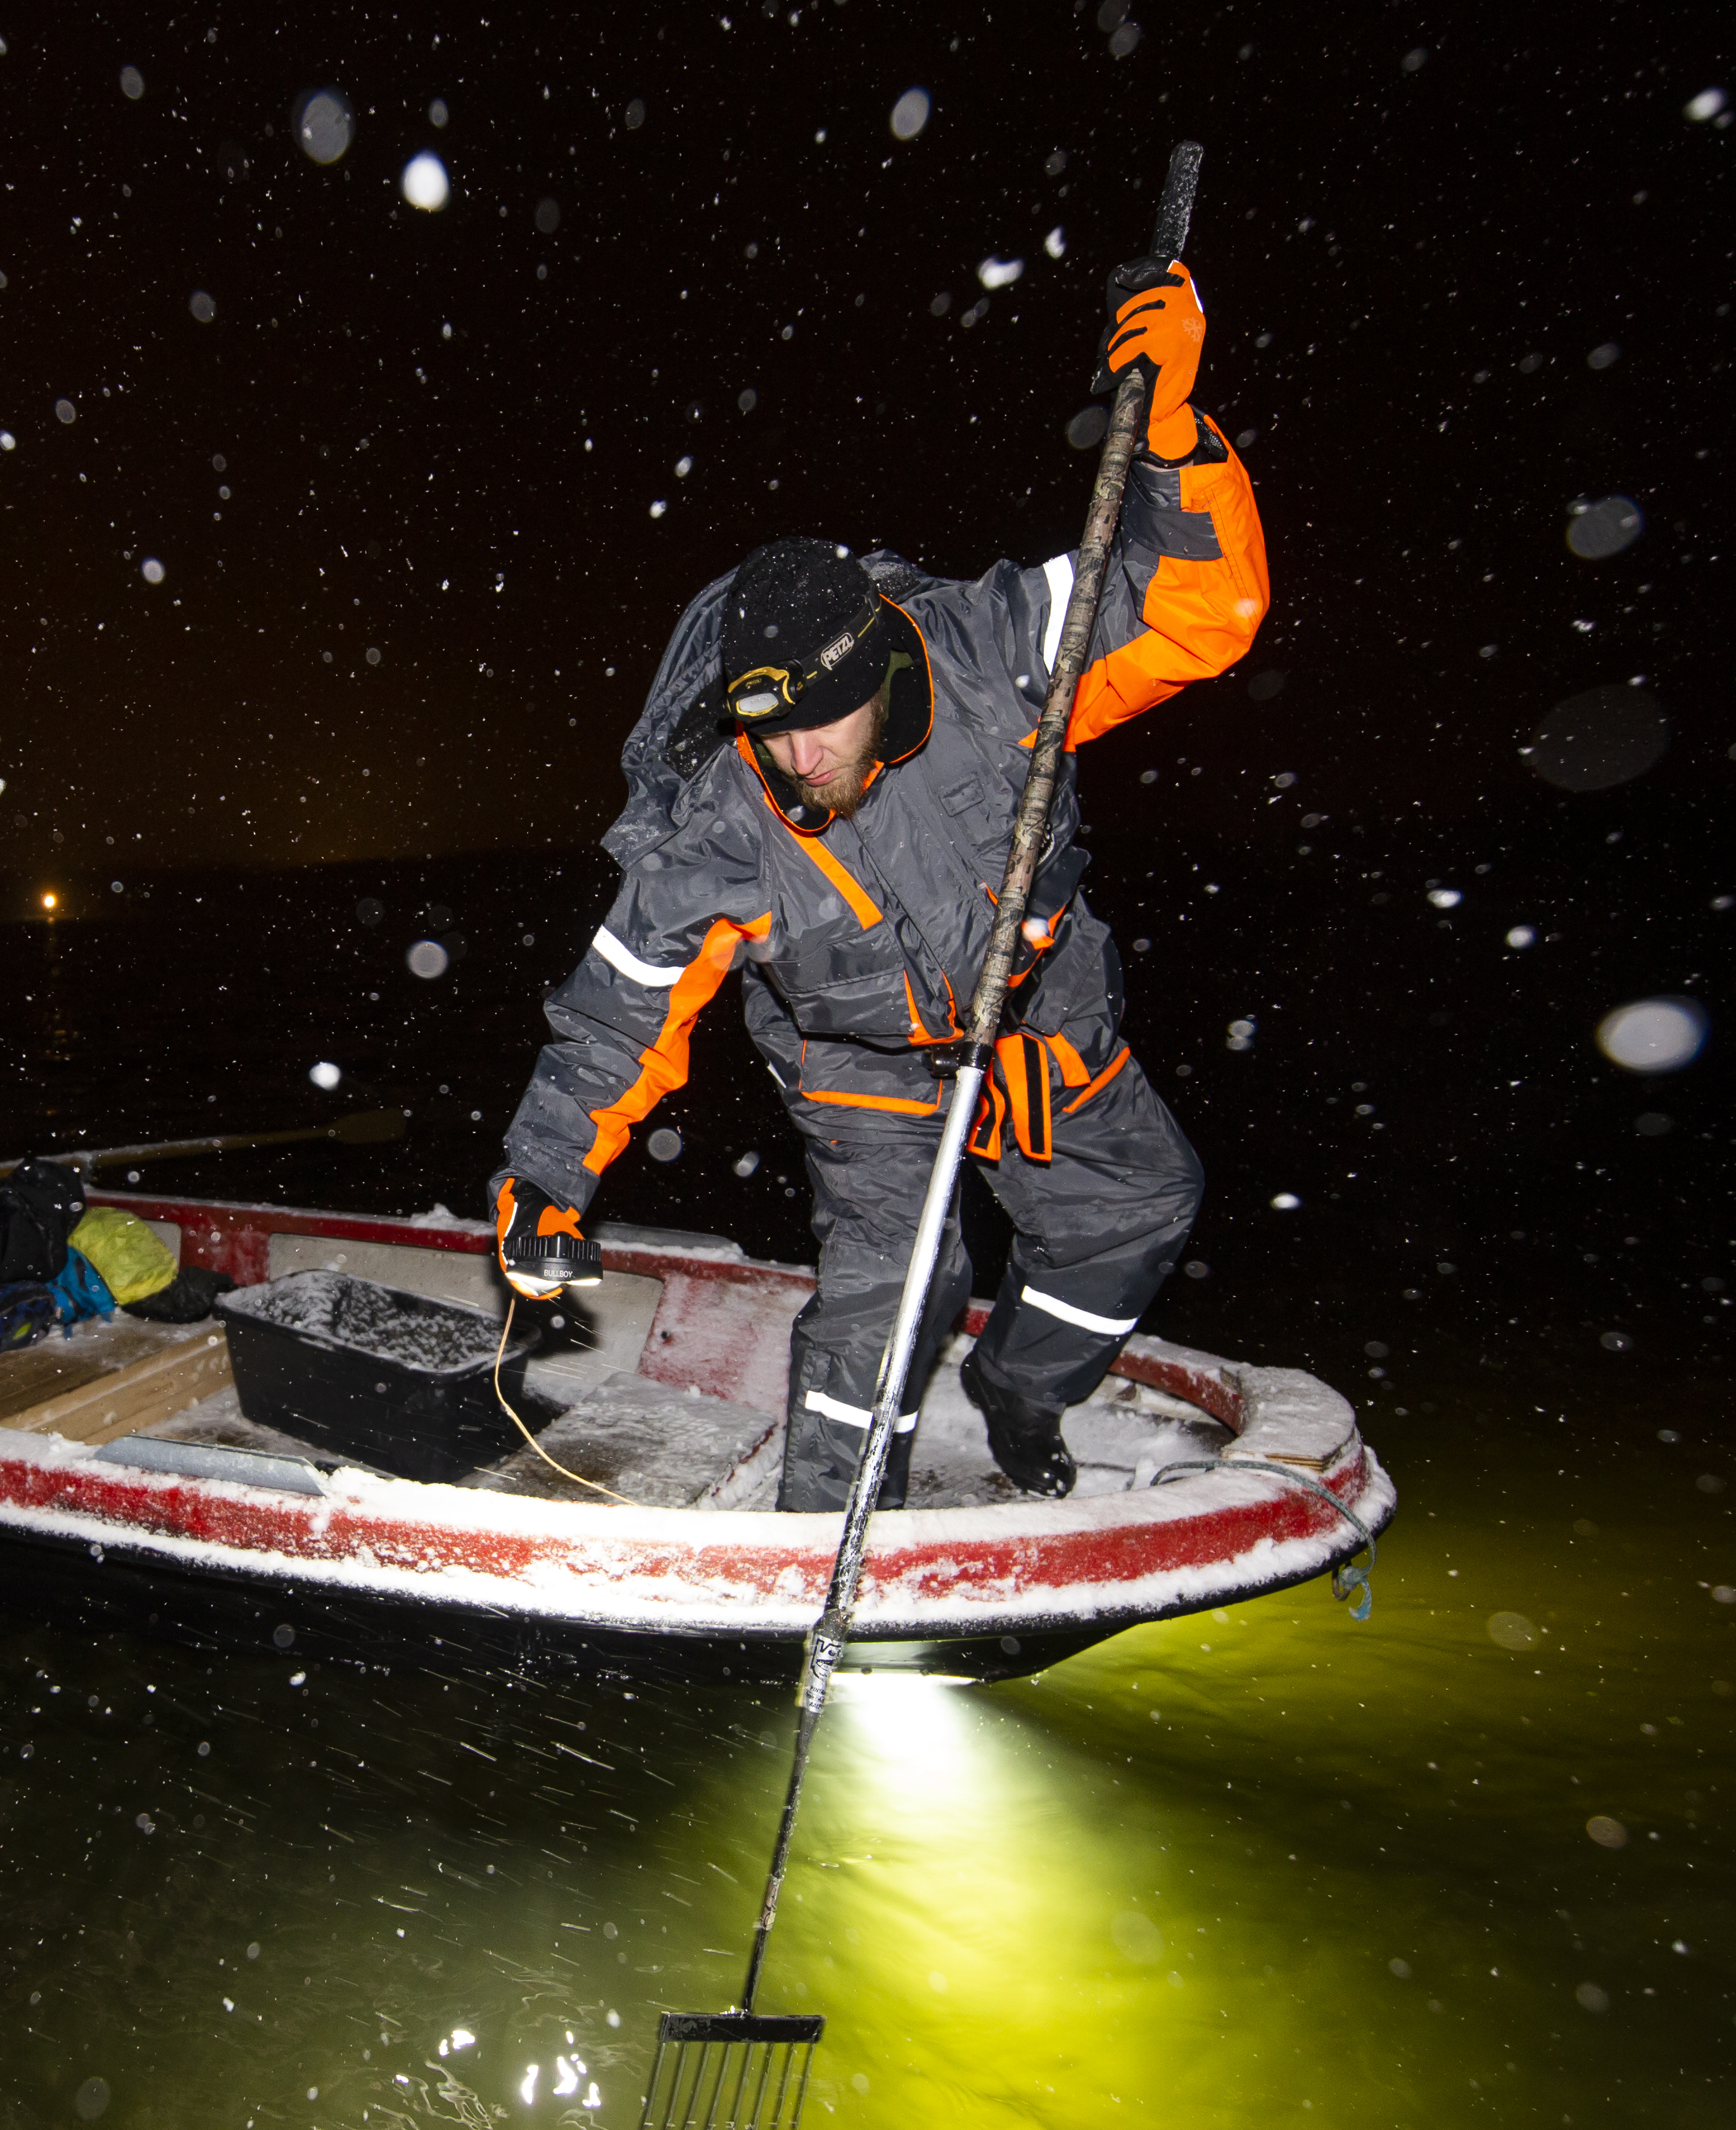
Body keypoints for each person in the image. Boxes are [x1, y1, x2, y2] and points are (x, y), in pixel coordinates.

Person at [489, 261, 1267, 1509]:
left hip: (1030, 1011)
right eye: (767, 730)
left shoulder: (993, 651)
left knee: (1137, 1203)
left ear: (878, 674)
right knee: (892, 1298)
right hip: (857, 1062)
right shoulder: (723, 823)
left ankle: (1020, 1389)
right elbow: (618, 1011)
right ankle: (830, 1534)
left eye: (817, 723)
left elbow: (1196, 611)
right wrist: (546, 1180)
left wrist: (1172, 435)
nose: (795, 758)